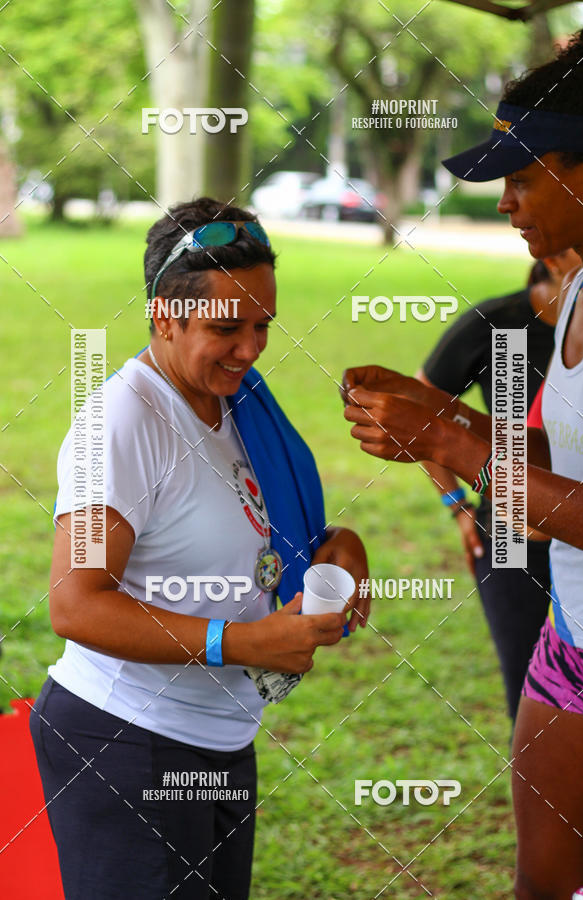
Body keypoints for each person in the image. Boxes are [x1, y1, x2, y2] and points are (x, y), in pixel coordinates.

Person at [30, 197, 370, 900]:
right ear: (164, 314)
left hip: (219, 738)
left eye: (263, 326)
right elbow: (75, 605)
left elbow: (269, 533)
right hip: (124, 744)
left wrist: (341, 547)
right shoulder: (120, 427)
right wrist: (241, 642)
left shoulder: (237, 402)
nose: (250, 349)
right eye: (226, 328)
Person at [342, 19, 583, 900]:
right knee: (549, 883)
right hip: (573, 640)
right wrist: (439, 415)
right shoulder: (576, 297)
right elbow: (569, 458)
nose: (505, 204)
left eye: (522, 179)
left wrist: (455, 442)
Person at [416, 251, 579, 727]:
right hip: (513, 538)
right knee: (531, 695)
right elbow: (422, 409)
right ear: (548, 257)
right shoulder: (501, 325)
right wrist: (457, 504)